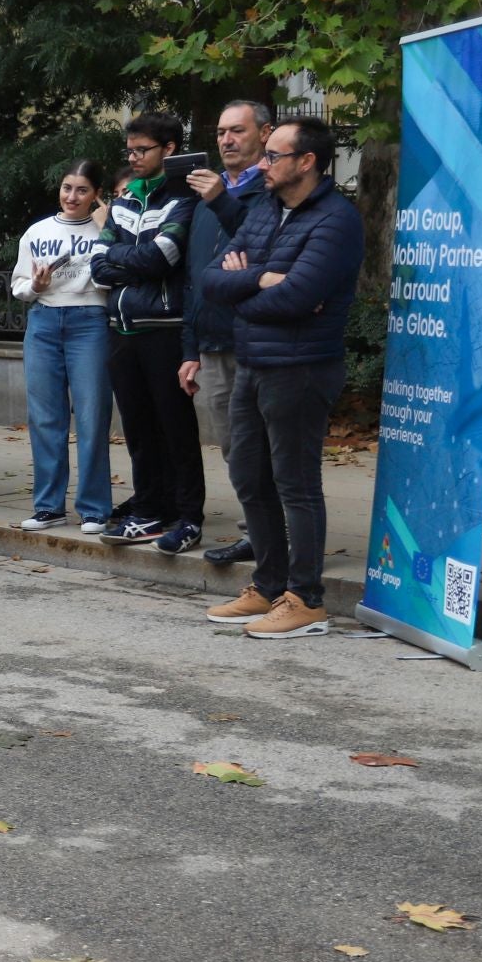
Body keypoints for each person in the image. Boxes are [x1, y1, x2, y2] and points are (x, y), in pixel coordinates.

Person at [199, 117, 361, 639]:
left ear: (306, 161)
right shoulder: (267, 209)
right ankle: (268, 587)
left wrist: (241, 287)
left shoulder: (337, 220)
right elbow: (209, 281)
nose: (261, 164)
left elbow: (298, 297)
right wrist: (258, 279)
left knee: (295, 483)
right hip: (253, 363)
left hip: (301, 368)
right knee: (249, 477)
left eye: (272, 155)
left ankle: (306, 599)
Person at [90, 110, 204, 553]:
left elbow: (164, 258)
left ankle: (188, 515)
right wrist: (124, 259)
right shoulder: (123, 201)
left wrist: (121, 259)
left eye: (143, 150)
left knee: (174, 427)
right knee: (138, 428)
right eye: (130, 150)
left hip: (164, 329)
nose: (133, 158)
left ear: (169, 149)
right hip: (122, 329)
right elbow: (97, 266)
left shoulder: (184, 199)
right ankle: (151, 510)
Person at [182, 100, 274, 566]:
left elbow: (263, 243)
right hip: (211, 343)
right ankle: (256, 529)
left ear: (264, 133)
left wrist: (222, 199)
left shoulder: (272, 188)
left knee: (265, 445)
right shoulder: (207, 196)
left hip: (255, 340)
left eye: (237, 130)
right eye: (220, 132)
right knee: (234, 446)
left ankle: (274, 538)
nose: (226, 140)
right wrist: (190, 346)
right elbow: (193, 277)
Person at [11, 160, 112, 534]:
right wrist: (36, 285)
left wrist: (107, 229)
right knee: (45, 418)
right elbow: (18, 285)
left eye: (82, 190)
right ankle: (49, 506)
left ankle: (94, 508)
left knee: (92, 416)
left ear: (95, 194)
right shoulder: (38, 231)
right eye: (67, 188)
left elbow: (114, 277)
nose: (72, 196)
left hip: (90, 321)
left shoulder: (104, 229)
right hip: (44, 321)